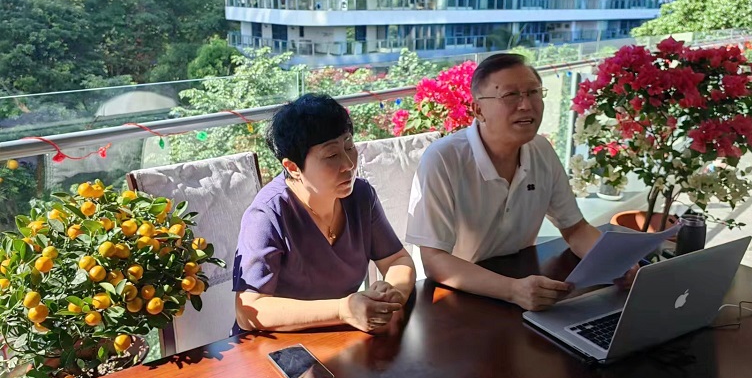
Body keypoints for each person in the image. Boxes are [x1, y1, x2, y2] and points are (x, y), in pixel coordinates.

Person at [406, 53, 637, 312]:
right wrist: (513, 290)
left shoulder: (541, 150)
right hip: (453, 297)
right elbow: (434, 259)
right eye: (510, 95)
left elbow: (576, 229)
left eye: (533, 92)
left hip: (521, 285)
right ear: (478, 109)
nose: (526, 105)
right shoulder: (444, 159)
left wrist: (614, 262)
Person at [233, 93, 415, 334]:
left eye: (349, 146)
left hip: (341, 338)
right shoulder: (267, 215)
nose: (349, 164)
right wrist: (342, 310)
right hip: (275, 347)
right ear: (293, 167)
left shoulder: (360, 196)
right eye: (332, 155)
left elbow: (397, 260)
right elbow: (248, 310)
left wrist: (392, 293)